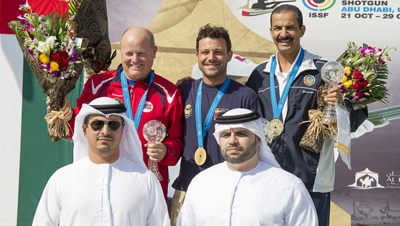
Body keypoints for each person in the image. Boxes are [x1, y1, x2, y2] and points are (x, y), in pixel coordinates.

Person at [245, 5, 368, 226]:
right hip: (268, 176)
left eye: (290, 28)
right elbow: (245, 114)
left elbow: (354, 122)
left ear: (302, 30)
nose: (283, 34)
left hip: (312, 181)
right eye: (278, 28)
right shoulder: (259, 74)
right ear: (271, 31)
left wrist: (340, 104)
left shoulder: (324, 71)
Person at [52, 26, 183, 199]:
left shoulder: (170, 93)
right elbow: (77, 131)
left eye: (141, 53)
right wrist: (64, 112)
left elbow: (178, 142)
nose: (134, 60)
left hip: (147, 186)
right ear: (120, 52)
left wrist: (165, 151)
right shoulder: (97, 85)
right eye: (129, 53)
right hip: (100, 183)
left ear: (154, 51)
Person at [170, 24, 263, 225]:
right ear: (197, 56)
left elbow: (259, 148)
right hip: (187, 189)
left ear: (229, 55)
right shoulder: (183, 91)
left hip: (231, 192)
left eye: (218, 52)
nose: (211, 57)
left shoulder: (246, 96)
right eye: (205, 52)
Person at [33, 97, 169, 225]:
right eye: (97, 124)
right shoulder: (62, 179)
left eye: (113, 124)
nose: (105, 131)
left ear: (123, 130)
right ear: (84, 130)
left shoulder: (145, 180)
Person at [177, 108, 318, 226]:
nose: (232, 141)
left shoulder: (288, 186)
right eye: (225, 135)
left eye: (241, 133)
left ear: (257, 139)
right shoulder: (201, 183)